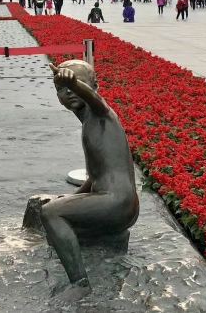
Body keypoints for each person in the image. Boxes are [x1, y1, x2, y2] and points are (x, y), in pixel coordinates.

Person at [42, 62, 138, 299]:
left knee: (50, 212)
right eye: (61, 89)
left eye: (76, 85)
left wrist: (74, 83)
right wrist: (70, 200)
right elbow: (95, 177)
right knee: (51, 205)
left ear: (94, 86)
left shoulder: (101, 114)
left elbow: (95, 100)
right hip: (118, 204)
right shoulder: (88, 123)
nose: (69, 92)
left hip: (116, 204)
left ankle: (80, 283)